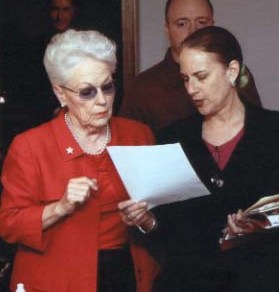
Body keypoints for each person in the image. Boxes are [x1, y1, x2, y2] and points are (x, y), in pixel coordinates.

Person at [119, 26, 279, 292]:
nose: (192, 89)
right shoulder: (173, 138)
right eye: (185, 79)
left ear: (231, 71)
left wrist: (261, 225)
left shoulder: (273, 131)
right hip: (186, 282)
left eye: (201, 77)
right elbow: (168, 232)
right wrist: (148, 222)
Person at [0, 29, 158, 292]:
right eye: (87, 92)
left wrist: (146, 220)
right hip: (55, 279)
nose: (102, 101)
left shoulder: (137, 134)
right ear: (60, 94)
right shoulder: (30, 146)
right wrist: (60, 207)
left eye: (107, 87)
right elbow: (8, 225)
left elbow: (165, 216)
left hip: (126, 274)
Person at [119, 0, 262, 136]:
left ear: (213, 25)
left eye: (202, 22)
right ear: (167, 30)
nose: (193, 31)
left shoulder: (237, 73)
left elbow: (257, 130)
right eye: (182, 24)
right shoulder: (142, 88)